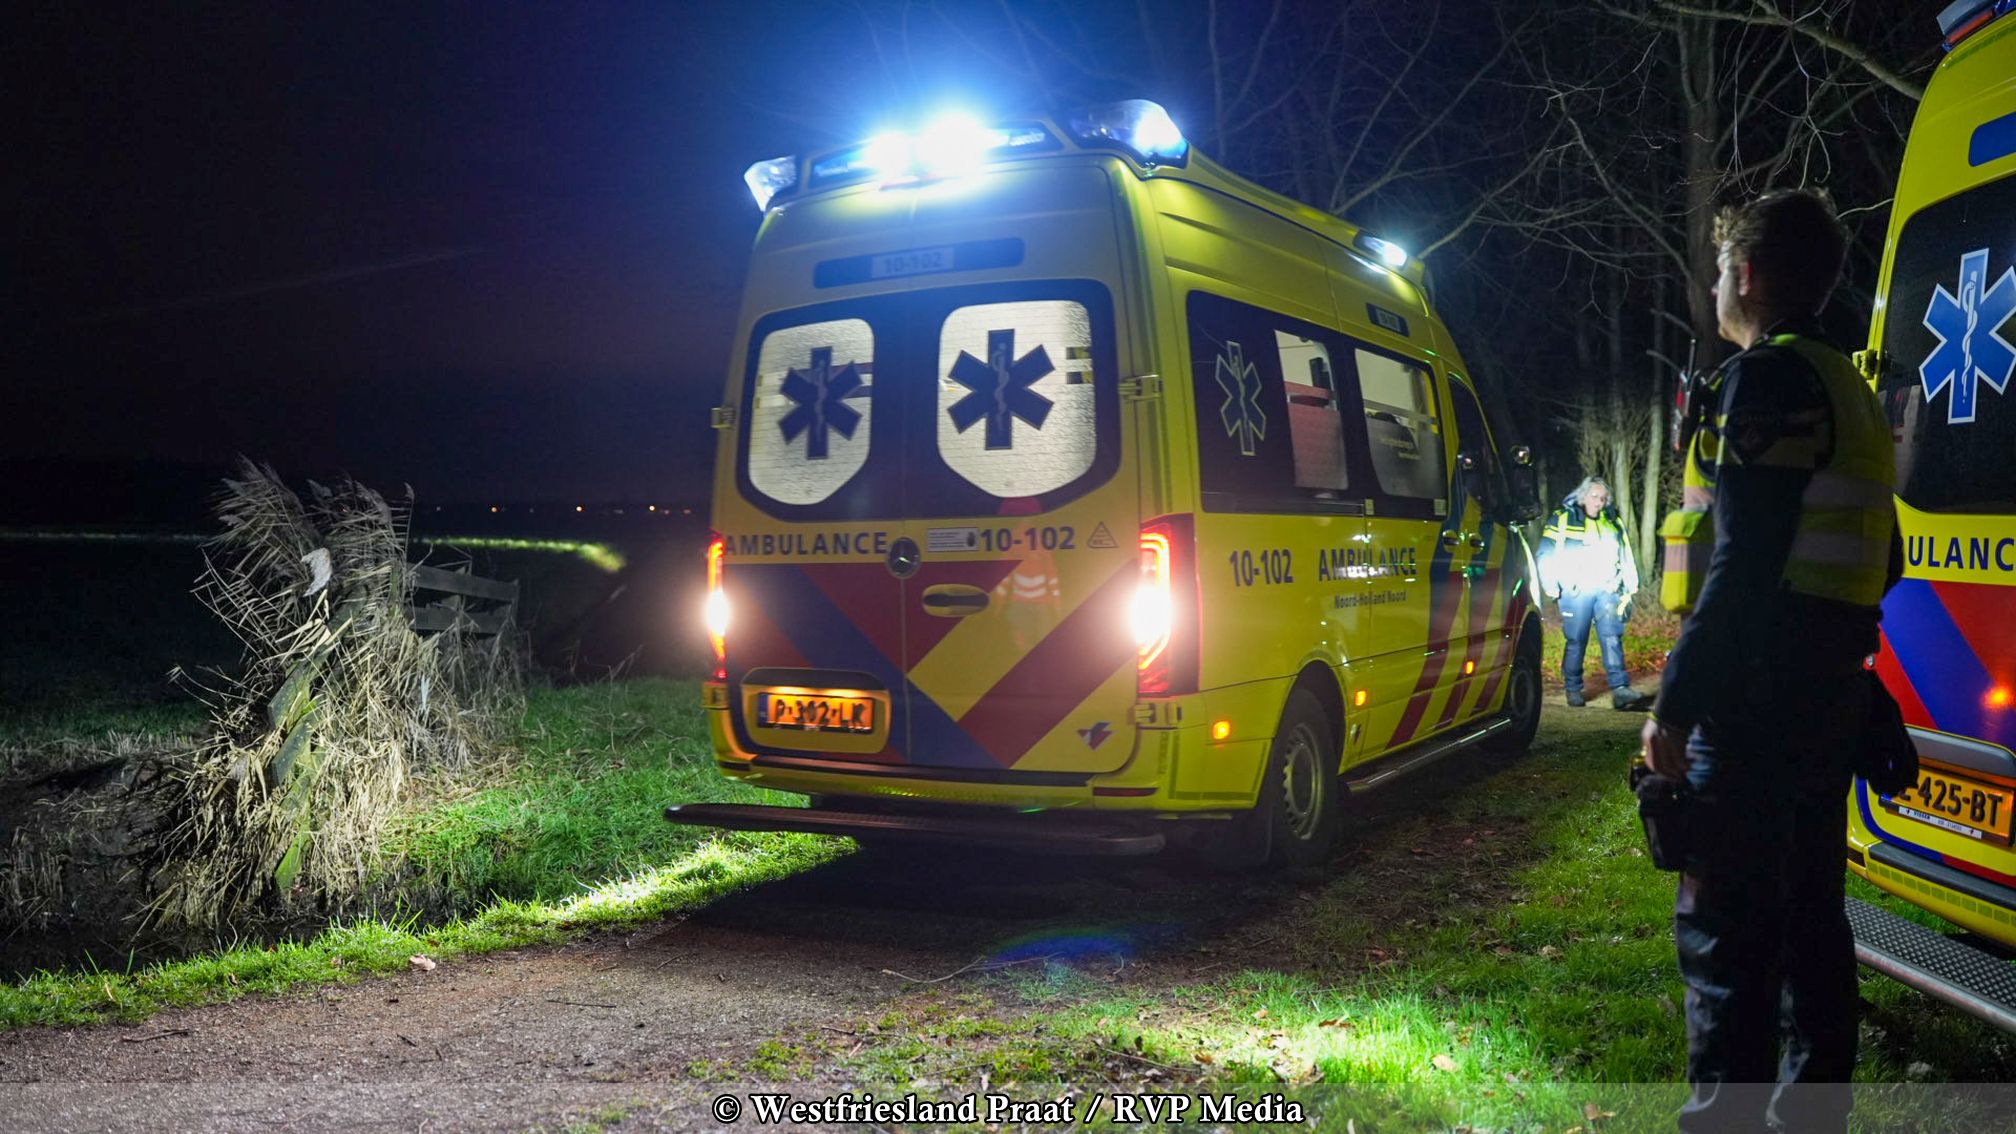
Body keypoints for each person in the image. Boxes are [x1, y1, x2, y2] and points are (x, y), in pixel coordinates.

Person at [1640, 189, 1899, 1133]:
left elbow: (1744, 566)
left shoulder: (1771, 380)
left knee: (1725, 934)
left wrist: (1673, 705)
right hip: (1827, 695)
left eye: (1719, 270)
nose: (1714, 287)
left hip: (1753, 704)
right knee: (1810, 921)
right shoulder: (1851, 389)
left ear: (1746, 274)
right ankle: (1809, 1116)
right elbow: (1889, 556)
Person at [1537, 477, 1650, 709]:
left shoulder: (1612, 520)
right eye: (1594, 496)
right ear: (1583, 496)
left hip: (1608, 589)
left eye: (1603, 498)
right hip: (1575, 590)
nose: (1599, 502)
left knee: (1612, 637)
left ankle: (1620, 689)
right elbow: (1545, 553)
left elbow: (1625, 552)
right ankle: (1573, 689)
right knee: (1576, 640)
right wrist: (1551, 584)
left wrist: (1631, 584)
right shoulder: (1563, 518)